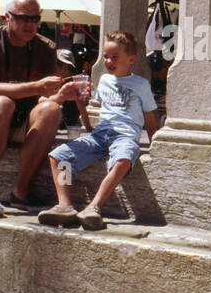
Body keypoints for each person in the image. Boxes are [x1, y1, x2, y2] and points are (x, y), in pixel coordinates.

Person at [39, 31, 156, 230]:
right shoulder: (104, 81)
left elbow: (149, 117)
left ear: (131, 59)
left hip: (125, 135)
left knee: (123, 160)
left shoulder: (141, 85)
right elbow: (92, 123)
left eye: (114, 57)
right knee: (58, 157)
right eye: (106, 56)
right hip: (101, 134)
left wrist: (154, 142)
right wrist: (80, 105)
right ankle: (64, 205)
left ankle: (94, 207)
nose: (109, 61)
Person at [0, 0, 64, 217]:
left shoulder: (46, 47)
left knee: (51, 109)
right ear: (7, 17)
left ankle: (20, 192)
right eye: (22, 18)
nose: (29, 25)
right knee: (2, 103)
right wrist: (37, 86)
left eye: (34, 19)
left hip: (22, 121)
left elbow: (43, 98)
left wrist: (64, 96)